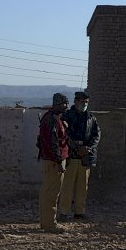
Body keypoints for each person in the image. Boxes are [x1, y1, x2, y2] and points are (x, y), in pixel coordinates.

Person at [58, 91, 101, 220]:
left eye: (86, 102)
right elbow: (64, 135)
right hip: (71, 156)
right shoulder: (67, 116)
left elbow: (96, 135)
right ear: (76, 101)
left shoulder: (91, 117)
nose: (85, 104)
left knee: (83, 186)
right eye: (82, 101)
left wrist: (88, 148)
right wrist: (77, 147)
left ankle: (79, 211)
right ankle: (63, 212)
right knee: (67, 186)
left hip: (85, 157)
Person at [37, 92, 70, 233]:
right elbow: (53, 142)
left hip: (53, 160)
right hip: (53, 161)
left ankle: (47, 221)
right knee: (51, 192)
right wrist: (58, 160)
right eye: (64, 104)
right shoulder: (51, 119)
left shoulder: (56, 118)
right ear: (57, 104)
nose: (66, 107)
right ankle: (50, 224)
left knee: (49, 191)